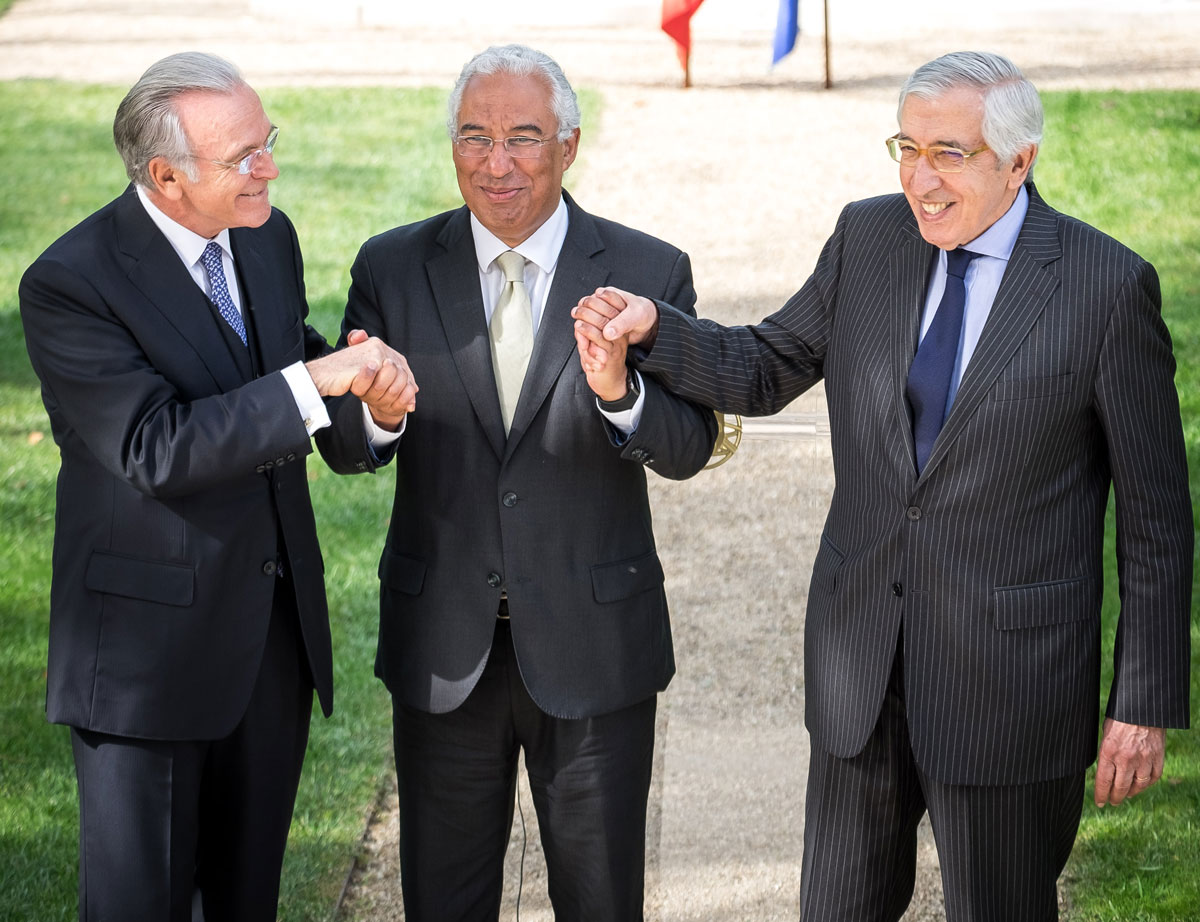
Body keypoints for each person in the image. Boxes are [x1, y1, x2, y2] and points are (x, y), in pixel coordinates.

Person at [573, 51, 1191, 922]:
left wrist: (1143, 701)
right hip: (861, 663)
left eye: (951, 153)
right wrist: (654, 331)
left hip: (1007, 683)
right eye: (907, 146)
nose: (920, 178)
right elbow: (766, 363)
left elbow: (1157, 520)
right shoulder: (867, 239)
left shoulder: (1105, 287)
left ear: (1020, 162)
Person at [315, 43, 717, 922]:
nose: (496, 163)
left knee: (602, 901)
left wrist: (622, 394)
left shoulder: (648, 272)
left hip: (595, 649)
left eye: (524, 137)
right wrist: (377, 412)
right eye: (474, 136)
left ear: (570, 145)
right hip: (443, 650)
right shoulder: (390, 267)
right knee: (443, 901)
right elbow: (346, 446)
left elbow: (689, 445)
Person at [19, 52, 417, 922]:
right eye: (244, 156)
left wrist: (374, 411)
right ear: (165, 175)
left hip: (270, 648)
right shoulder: (70, 283)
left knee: (247, 905)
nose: (267, 167)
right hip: (145, 665)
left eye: (266, 141)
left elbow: (287, 376)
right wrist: (322, 382)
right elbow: (154, 447)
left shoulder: (266, 235)